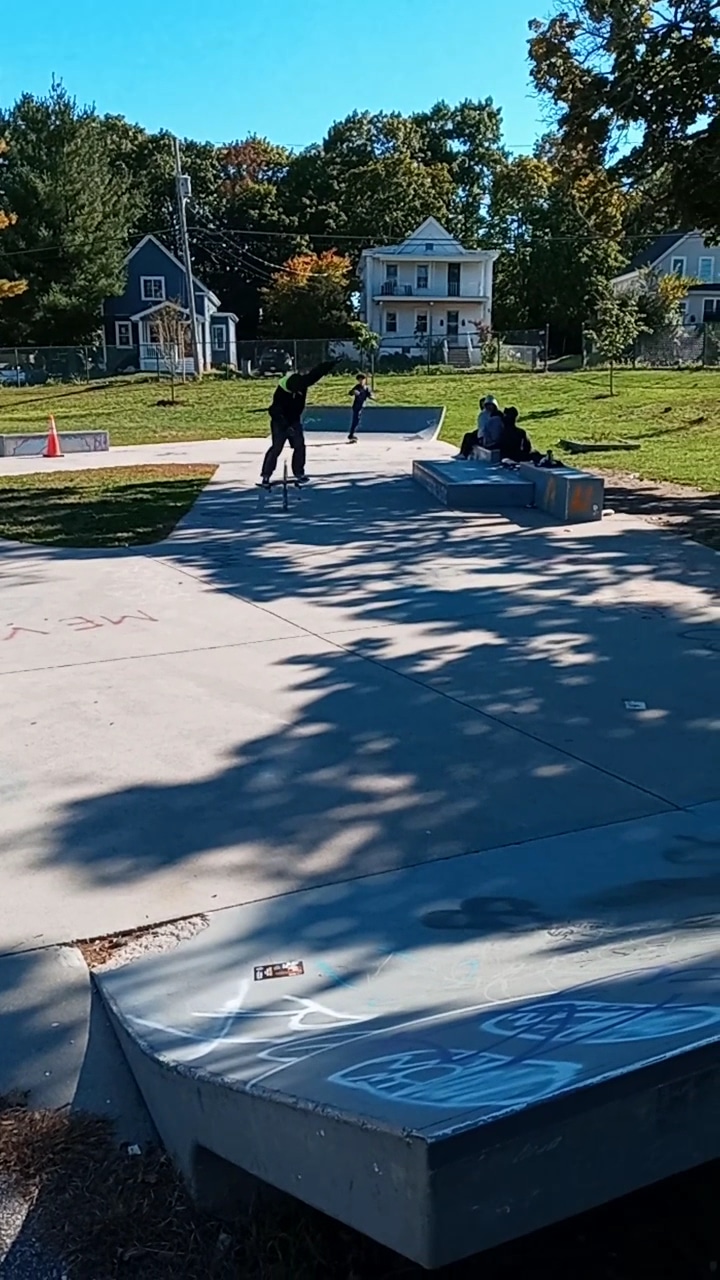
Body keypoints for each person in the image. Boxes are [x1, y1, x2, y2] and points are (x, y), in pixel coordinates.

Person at [258, 359, 337, 488]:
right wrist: (286, 427)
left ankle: (299, 473)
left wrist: (330, 364)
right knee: (276, 447)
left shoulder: (303, 382)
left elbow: (316, 374)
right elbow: (275, 412)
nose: (298, 393)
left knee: (299, 445)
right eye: (295, 391)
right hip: (280, 422)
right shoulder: (280, 393)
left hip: (294, 420)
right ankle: (266, 475)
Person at [457, 394, 500, 459]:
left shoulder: (497, 416)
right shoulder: (484, 415)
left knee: (470, 438)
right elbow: (482, 427)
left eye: (491, 405)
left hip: (489, 438)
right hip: (484, 435)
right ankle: (463, 453)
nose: (489, 407)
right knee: (468, 435)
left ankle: (464, 454)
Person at [347, 372, 374, 442]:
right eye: (359, 380)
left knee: (357, 421)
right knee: (355, 420)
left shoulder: (367, 388)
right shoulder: (357, 387)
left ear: (364, 380)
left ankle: (351, 435)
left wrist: (373, 397)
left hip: (361, 406)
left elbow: (369, 395)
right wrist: (353, 392)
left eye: (362, 380)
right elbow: (350, 393)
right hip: (356, 406)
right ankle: (351, 435)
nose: (361, 381)